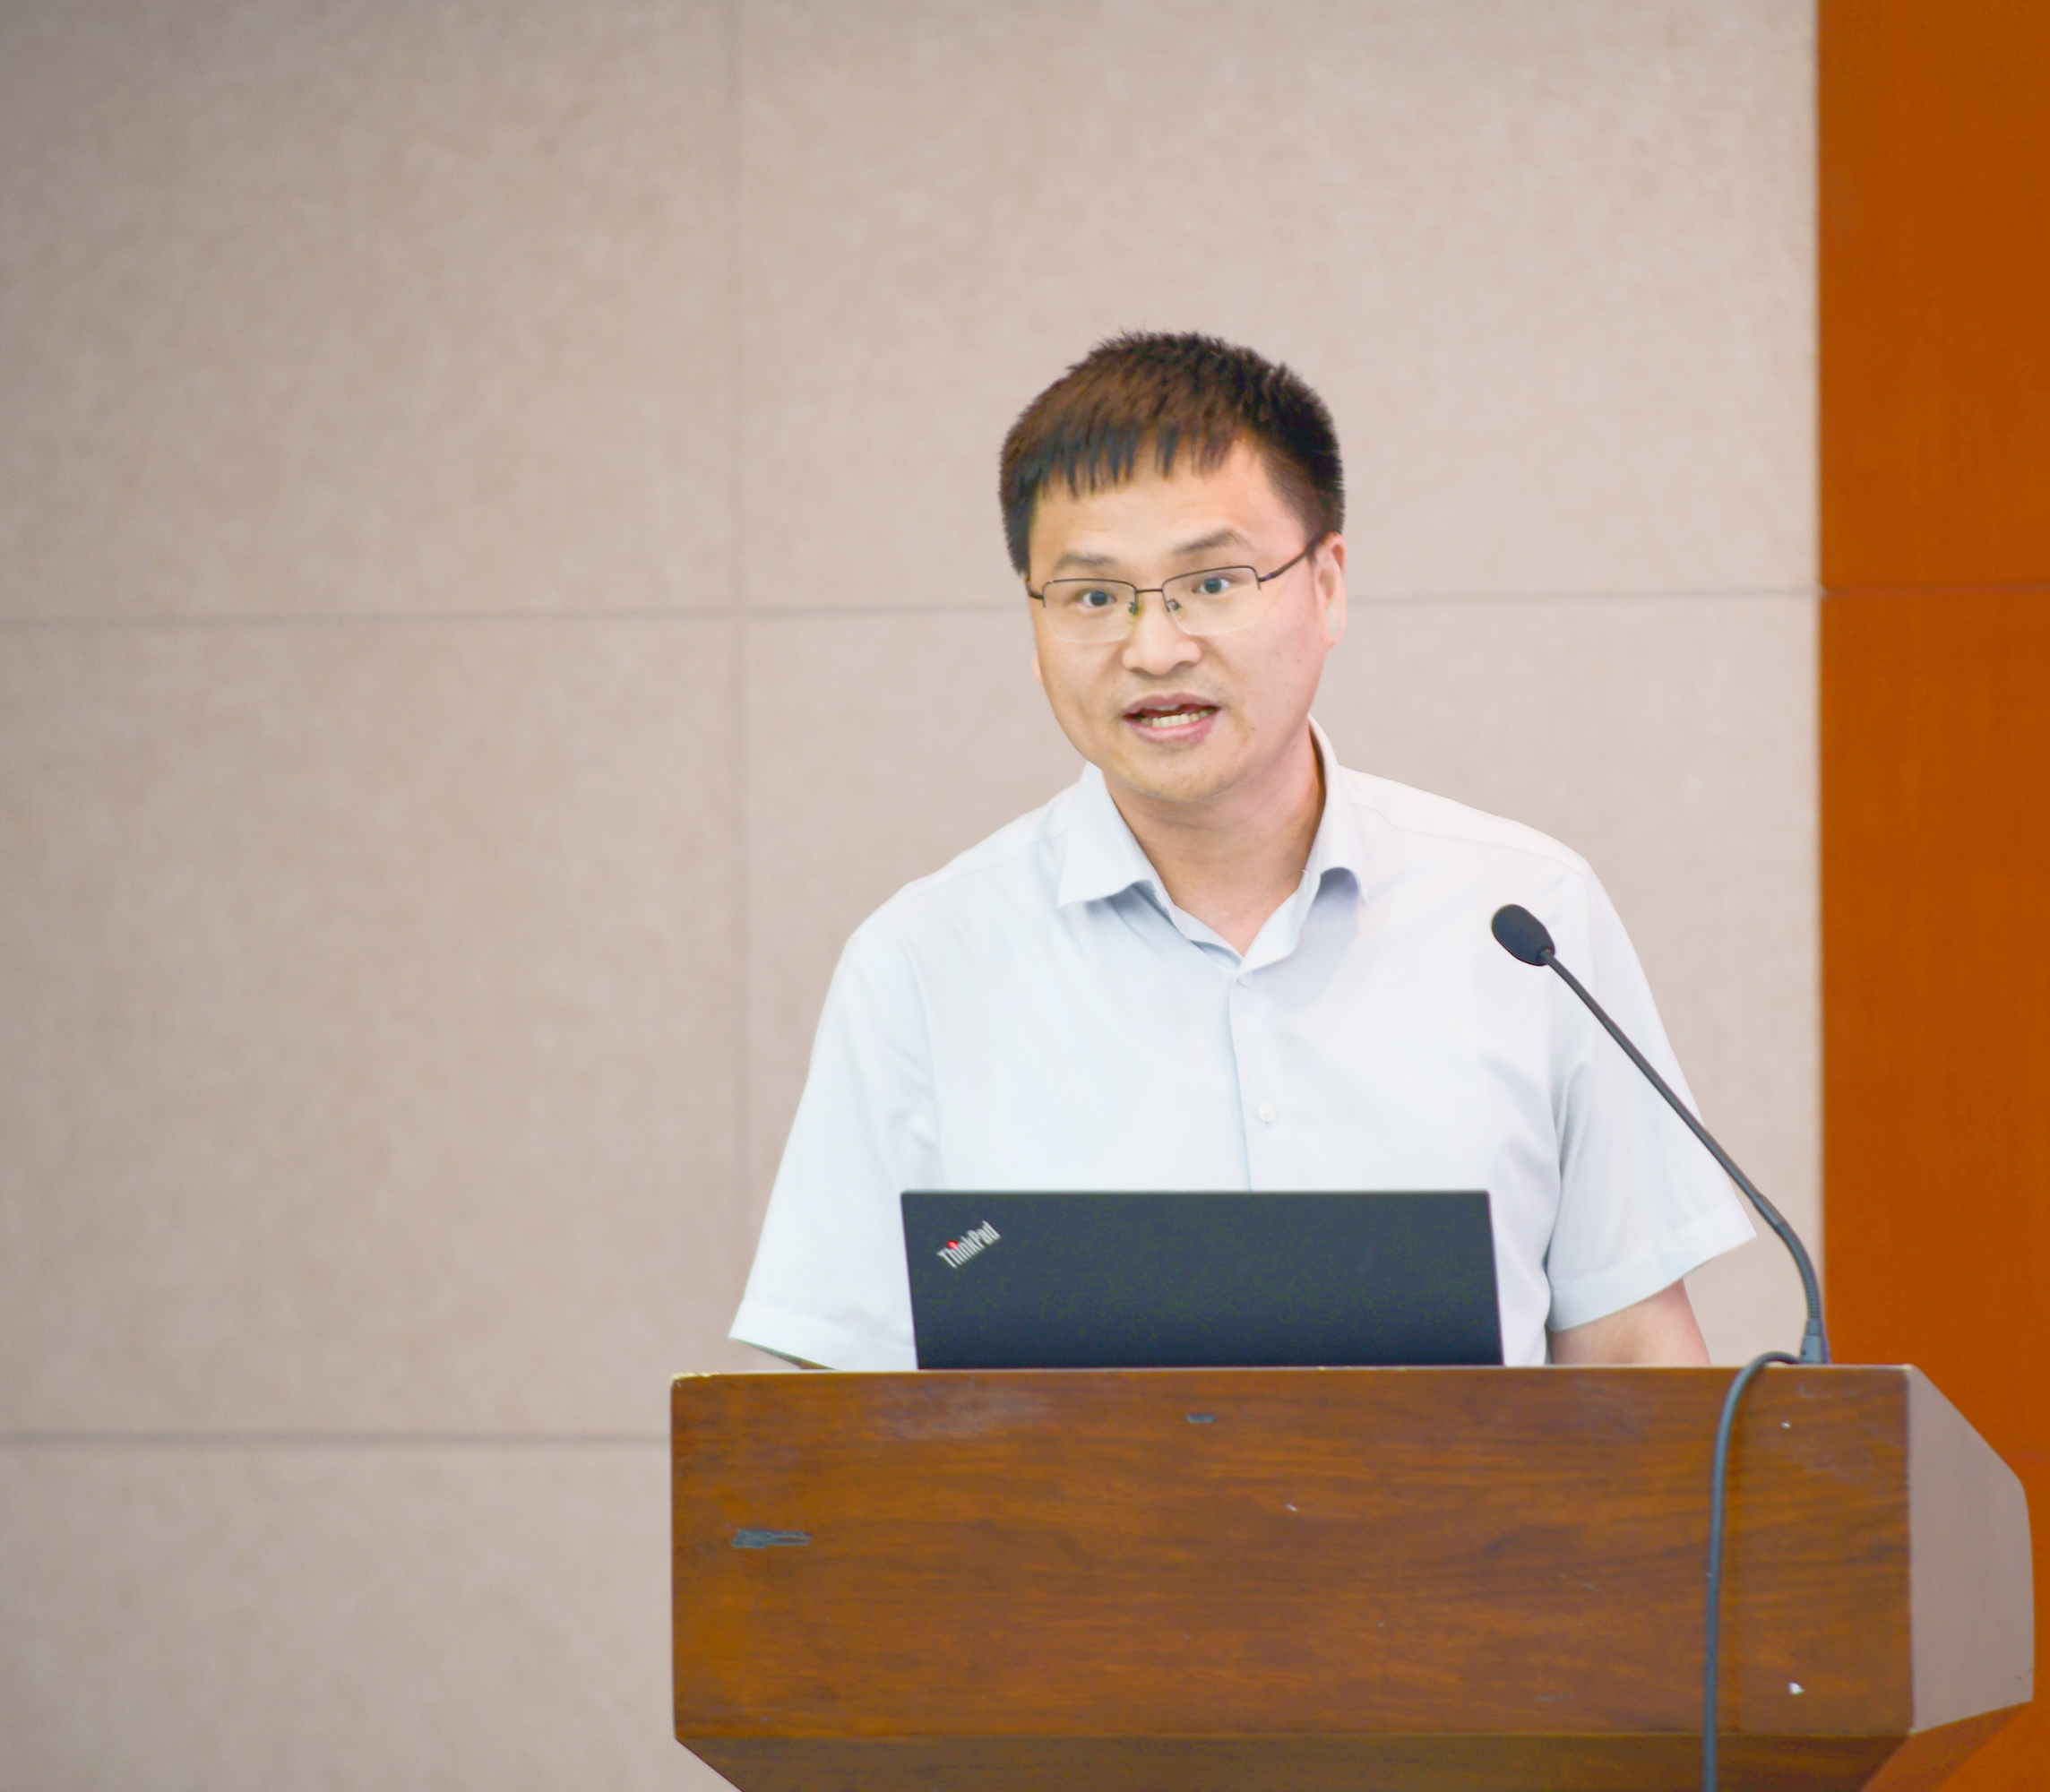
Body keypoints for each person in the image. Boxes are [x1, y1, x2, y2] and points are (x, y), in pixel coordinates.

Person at [730, 332, 1751, 1369]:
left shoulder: (1526, 918)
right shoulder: (923, 963)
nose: (1154, 648)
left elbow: (1633, 1352)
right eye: (1093, 597)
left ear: (1328, 585)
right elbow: (832, 1399)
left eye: (1212, 582)